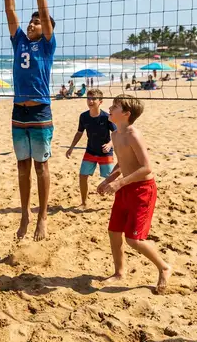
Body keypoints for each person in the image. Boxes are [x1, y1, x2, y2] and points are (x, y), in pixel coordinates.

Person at [0, 0, 56, 241]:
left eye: (37, 23)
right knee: (22, 167)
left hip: (41, 111)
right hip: (18, 112)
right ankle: (25, 214)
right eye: (31, 22)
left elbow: (44, 14)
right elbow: (10, 12)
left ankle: (43, 217)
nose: (33, 24)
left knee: (41, 166)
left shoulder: (46, 45)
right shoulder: (19, 40)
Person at [97, 95, 171, 293]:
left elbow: (146, 167)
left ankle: (164, 267)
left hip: (142, 190)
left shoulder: (133, 135)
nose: (110, 108)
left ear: (126, 114)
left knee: (133, 239)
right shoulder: (115, 134)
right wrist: (108, 180)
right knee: (113, 231)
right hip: (124, 188)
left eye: (115, 106)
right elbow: (122, 163)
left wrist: (119, 183)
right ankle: (119, 272)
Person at [66, 89, 116, 208]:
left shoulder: (107, 117)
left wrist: (110, 144)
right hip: (90, 151)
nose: (91, 101)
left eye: (94, 99)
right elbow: (79, 133)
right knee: (82, 176)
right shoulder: (83, 116)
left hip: (105, 152)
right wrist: (71, 148)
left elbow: (116, 133)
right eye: (88, 98)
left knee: (111, 179)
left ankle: (117, 203)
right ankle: (84, 202)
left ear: (100, 102)